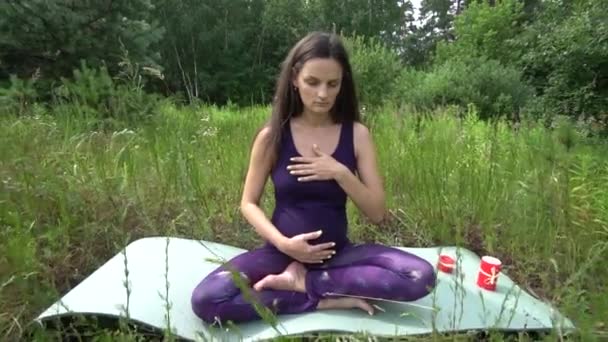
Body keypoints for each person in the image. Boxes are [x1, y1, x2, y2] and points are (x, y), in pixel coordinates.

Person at [191, 32, 436, 324]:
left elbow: (377, 213)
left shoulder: (357, 135)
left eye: (333, 84)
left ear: (343, 83)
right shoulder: (273, 136)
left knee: (420, 277)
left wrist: (340, 172)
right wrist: (284, 244)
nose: (323, 94)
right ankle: (320, 299)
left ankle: (304, 284)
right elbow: (248, 203)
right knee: (207, 300)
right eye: (313, 82)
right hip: (280, 254)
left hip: (340, 255)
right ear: (295, 78)